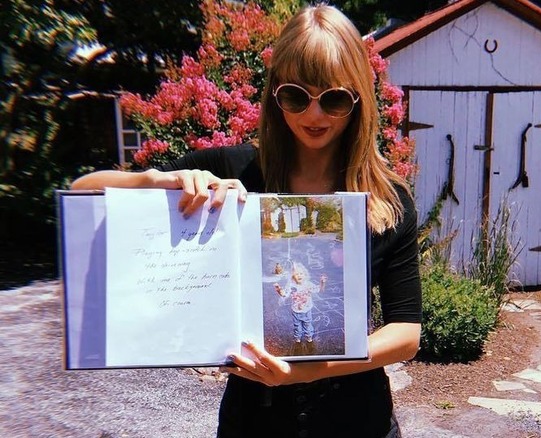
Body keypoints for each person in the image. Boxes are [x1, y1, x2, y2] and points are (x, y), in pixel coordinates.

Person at [71, 4, 421, 437]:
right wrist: (156, 179)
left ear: (359, 100)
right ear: (275, 94)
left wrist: (306, 372)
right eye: (297, 96)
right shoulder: (229, 172)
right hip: (254, 422)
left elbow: (406, 330)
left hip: (358, 421)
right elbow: (83, 192)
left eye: (333, 99)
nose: (314, 116)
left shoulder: (387, 199)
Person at [274, 262, 327, 344]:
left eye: (301, 273)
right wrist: (279, 290)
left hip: (306, 310)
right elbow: (285, 294)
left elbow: (319, 289)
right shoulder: (291, 285)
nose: (299, 275)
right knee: (297, 326)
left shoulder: (308, 284)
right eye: (296, 274)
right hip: (296, 311)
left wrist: (322, 282)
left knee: (308, 324)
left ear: (305, 275)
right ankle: (297, 338)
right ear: (293, 277)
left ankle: (309, 336)